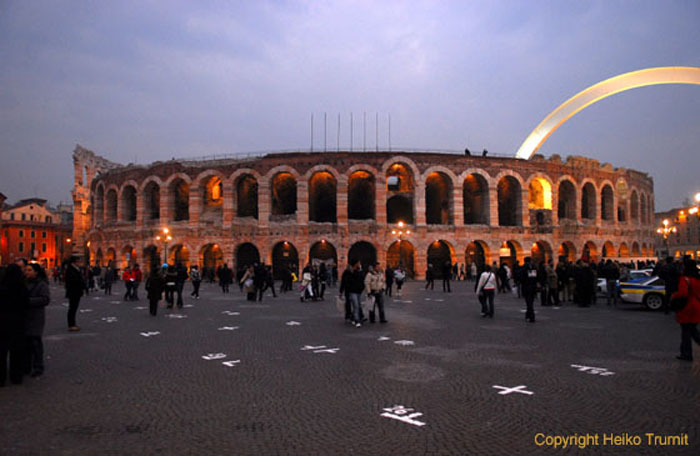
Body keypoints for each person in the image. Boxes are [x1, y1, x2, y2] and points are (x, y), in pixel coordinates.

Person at [0, 264, 29, 386]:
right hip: (17, 322)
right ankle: (16, 377)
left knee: (1, 351)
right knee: (16, 351)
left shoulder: (2, 287)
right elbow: (25, 304)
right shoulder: (21, 287)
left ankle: (1, 379)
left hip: (1, 322)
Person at [670, 258, 700, 361]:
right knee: (692, 330)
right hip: (696, 306)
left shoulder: (685, 279)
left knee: (686, 332)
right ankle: (686, 353)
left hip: (687, 307)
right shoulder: (697, 278)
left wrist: (674, 295)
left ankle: (686, 354)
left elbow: (683, 293)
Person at [24, 263, 50, 378]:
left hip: (36, 317)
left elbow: (45, 299)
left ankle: (38, 366)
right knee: (27, 343)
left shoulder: (41, 284)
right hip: (26, 316)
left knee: (35, 343)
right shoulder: (24, 283)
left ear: (36, 272)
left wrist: (28, 301)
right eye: (26, 270)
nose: (27, 272)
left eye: (29, 270)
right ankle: (27, 366)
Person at [64, 256, 84, 331]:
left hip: (75, 291)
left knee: (73, 308)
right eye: (78, 261)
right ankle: (71, 324)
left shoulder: (74, 269)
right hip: (73, 291)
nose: (80, 263)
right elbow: (74, 280)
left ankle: (72, 323)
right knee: (72, 308)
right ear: (74, 262)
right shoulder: (71, 270)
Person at [345, 259, 365, 327]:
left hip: (358, 291)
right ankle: (357, 320)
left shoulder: (359, 271)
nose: (360, 264)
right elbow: (346, 281)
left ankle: (353, 317)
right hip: (352, 291)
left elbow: (362, 279)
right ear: (355, 264)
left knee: (358, 305)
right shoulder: (349, 272)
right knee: (356, 305)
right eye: (358, 263)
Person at [520, 257, 538, 323]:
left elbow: (521, 277)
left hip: (526, 286)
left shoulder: (524, 268)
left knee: (528, 302)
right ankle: (528, 314)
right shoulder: (534, 267)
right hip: (533, 286)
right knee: (531, 301)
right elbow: (536, 277)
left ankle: (531, 316)